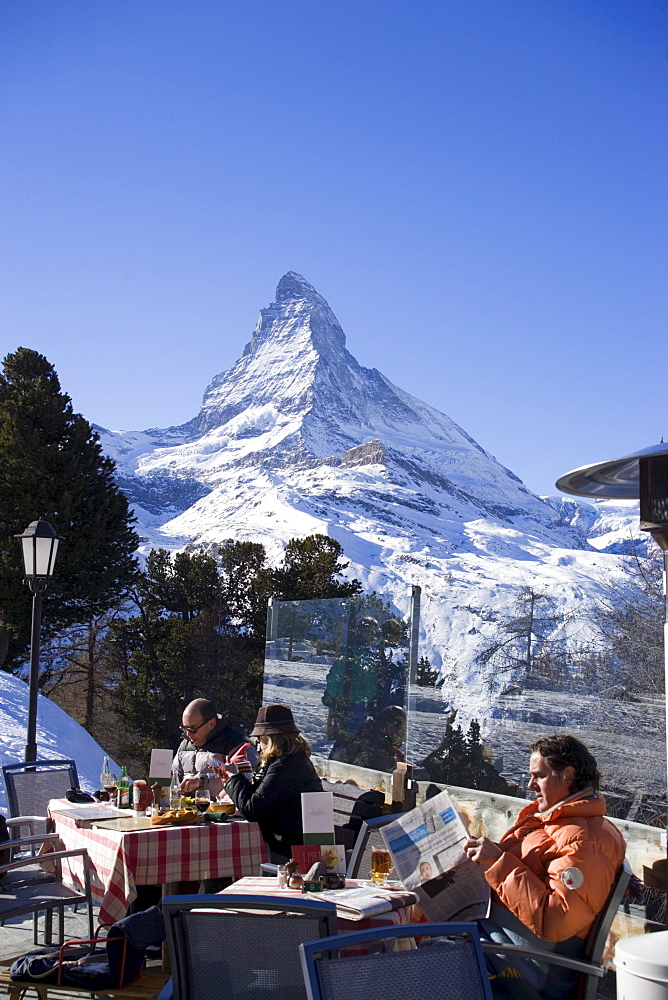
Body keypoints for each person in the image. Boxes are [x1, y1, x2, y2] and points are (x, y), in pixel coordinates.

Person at [464, 734, 626, 1000]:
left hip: (525, 969)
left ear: (568, 776)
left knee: (409, 953)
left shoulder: (582, 839)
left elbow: (558, 919)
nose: (530, 785)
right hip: (497, 940)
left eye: (538, 776)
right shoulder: (556, 823)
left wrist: (497, 862)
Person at [214, 703, 323, 863]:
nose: (258, 742)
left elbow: (253, 810)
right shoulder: (288, 761)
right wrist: (230, 780)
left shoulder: (286, 766)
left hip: (290, 850)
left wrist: (234, 777)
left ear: (270, 739)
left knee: (225, 855)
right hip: (284, 840)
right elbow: (258, 800)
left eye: (260, 738)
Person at [172, 698, 257, 798]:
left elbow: (246, 780)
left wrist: (202, 781)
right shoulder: (185, 744)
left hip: (223, 810)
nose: (187, 734)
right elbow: (174, 775)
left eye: (192, 729)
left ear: (211, 723)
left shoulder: (236, 743)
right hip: (187, 810)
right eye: (184, 728)